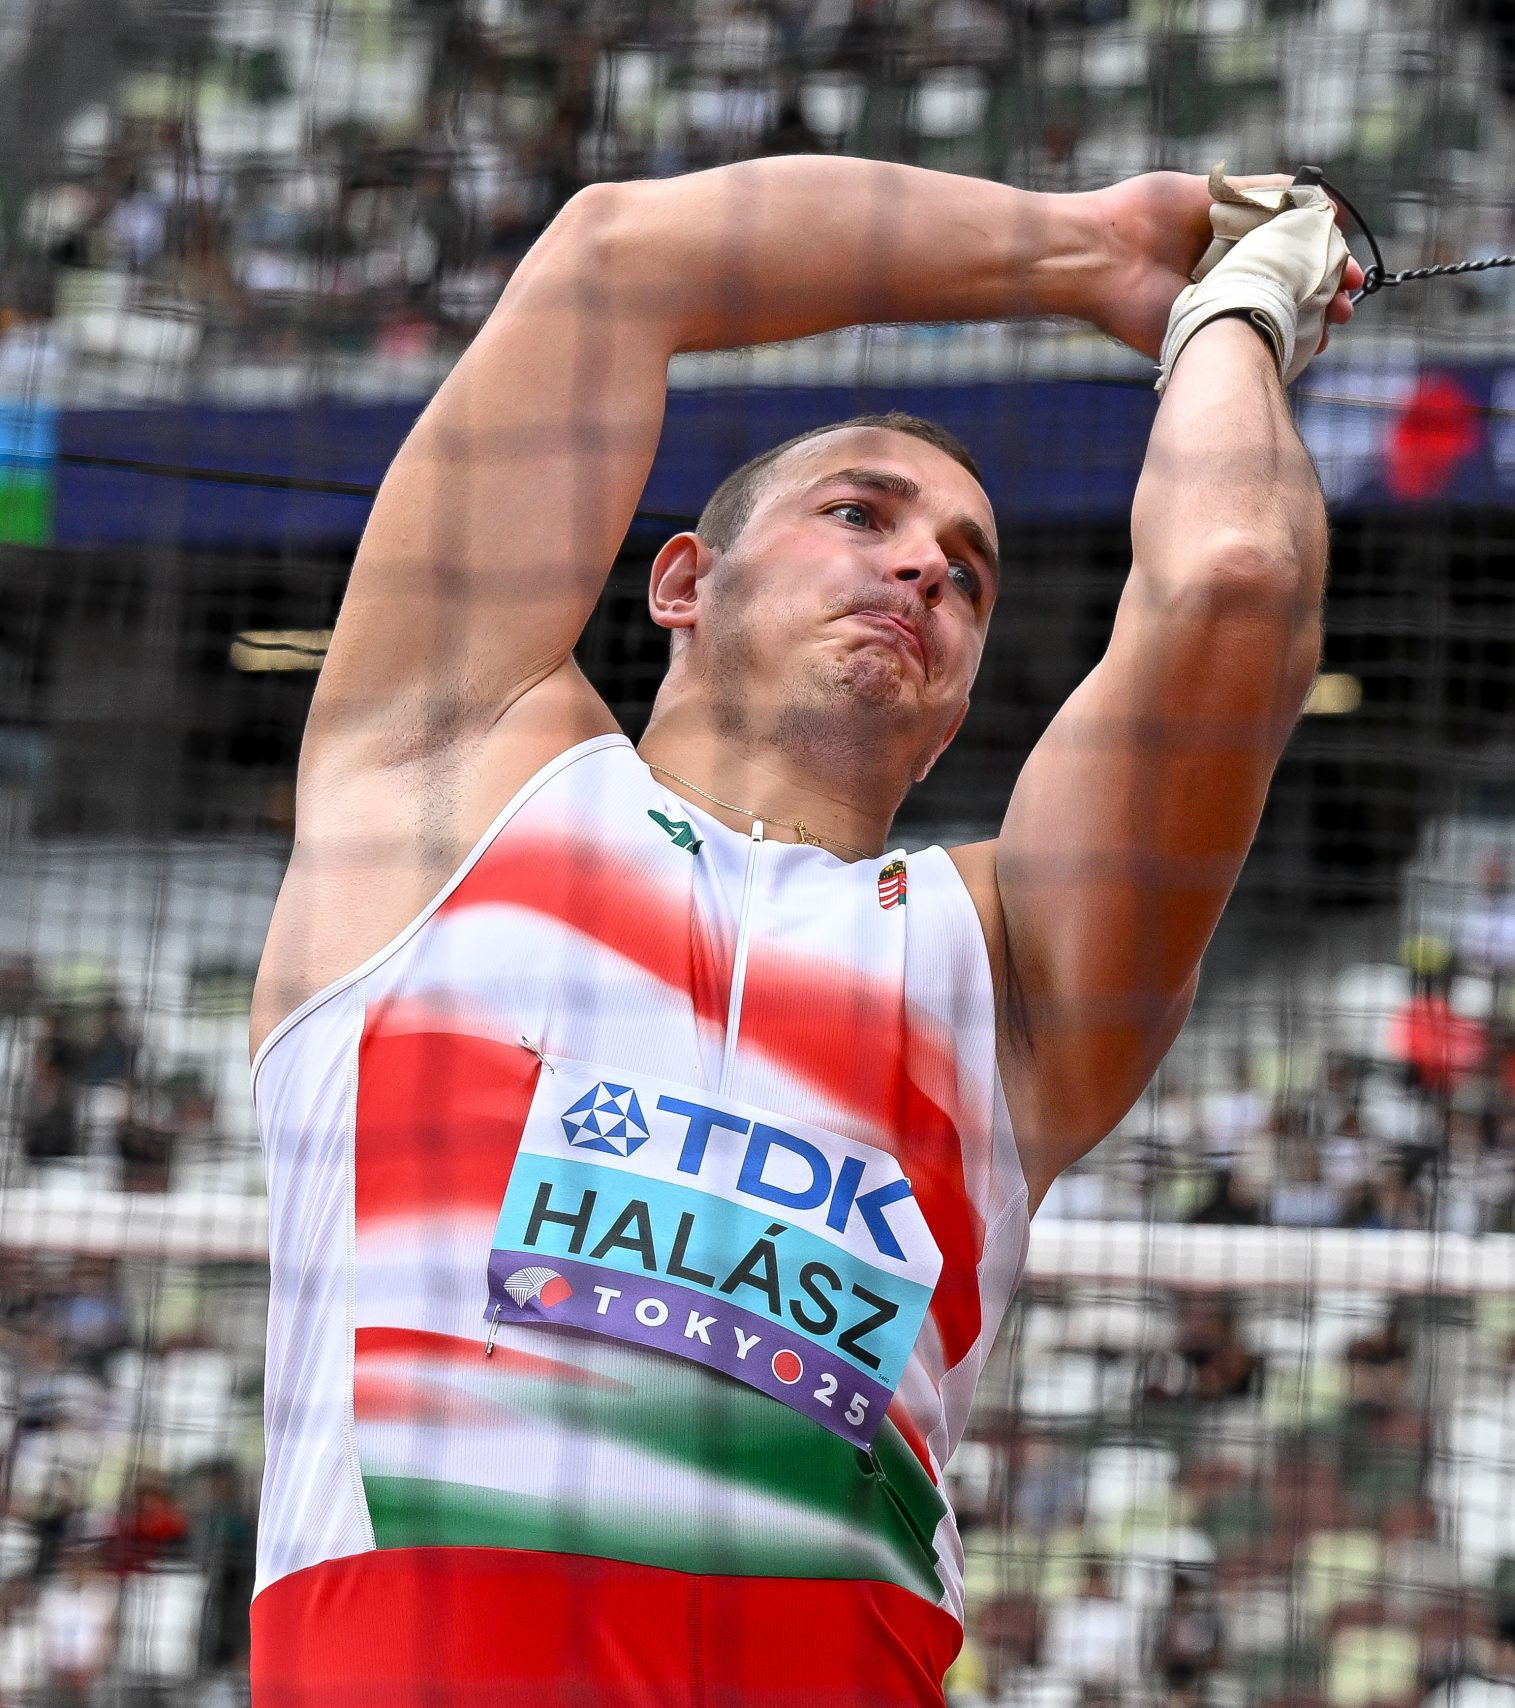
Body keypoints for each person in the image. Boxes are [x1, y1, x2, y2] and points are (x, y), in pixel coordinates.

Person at [244, 155, 1358, 1704]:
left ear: (960, 704)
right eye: (861, 513)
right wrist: (1085, 252)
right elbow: (616, 257)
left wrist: (1232, 315)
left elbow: (1236, 580)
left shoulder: (1004, 965)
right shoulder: (453, 781)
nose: (924, 565)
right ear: (683, 583)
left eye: (970, 575)